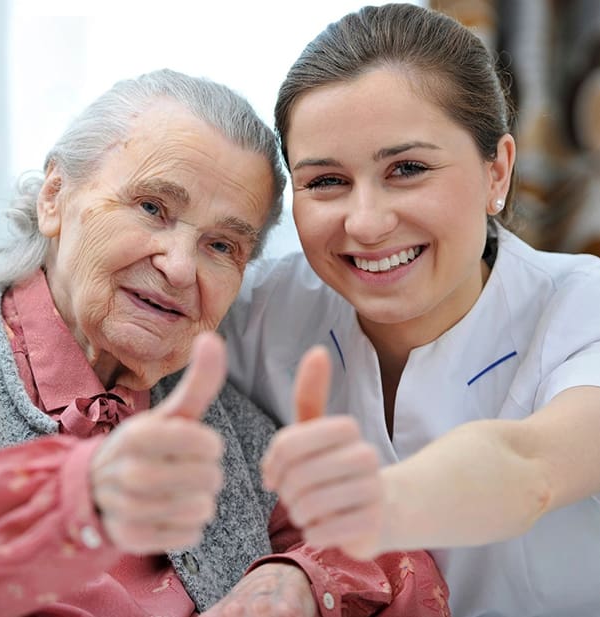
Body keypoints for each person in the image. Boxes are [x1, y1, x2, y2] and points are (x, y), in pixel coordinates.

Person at [0, 68, 449, 617]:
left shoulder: (222, 426)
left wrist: (296, 581)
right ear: (55, 197)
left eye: (221, 245)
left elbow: (396, 557)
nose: (178, 267)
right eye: (151, 208)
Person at [221, 4, 600, 617]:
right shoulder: (258, 309)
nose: (366, 223)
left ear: (496, 171)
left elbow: (532, 467)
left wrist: (364, 514)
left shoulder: (585, 311)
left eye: (408, 169)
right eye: (325, 182)